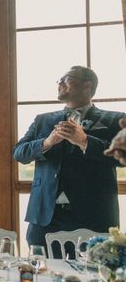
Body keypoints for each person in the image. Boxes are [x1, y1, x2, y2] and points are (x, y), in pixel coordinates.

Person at [14, 66, 125, 257]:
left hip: (92, 214)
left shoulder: (116, 119)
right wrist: (47, 142)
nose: (60, 83)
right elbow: (19, 153)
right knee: (41, 275)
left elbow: (123, 158)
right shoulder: (42, 120)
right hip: (45, 216)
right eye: (59, 80)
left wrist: (84, 141)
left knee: (91, 278)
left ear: (87, 86)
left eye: (68, 79)